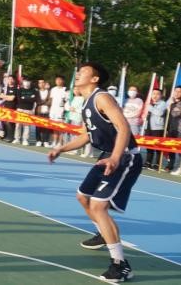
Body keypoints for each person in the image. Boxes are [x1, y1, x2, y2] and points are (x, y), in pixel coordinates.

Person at [48, 62, 141, 282]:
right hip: (108, 155)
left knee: (99, 206)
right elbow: (86, 135)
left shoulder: (102, 98)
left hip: (125, 156)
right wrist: (61, 148)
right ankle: (103, 232)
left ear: (95, 78)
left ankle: (120, 265)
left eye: (83, 71)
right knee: (83, 197)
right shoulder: (86, 102)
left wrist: (115, 158)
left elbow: (123, 127)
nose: (78, 73)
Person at [143, 88, 167, 170]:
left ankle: (157, 164)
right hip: (148, 127)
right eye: (153, 94)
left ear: (161, 95)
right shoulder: (150, 103)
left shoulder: (163, 103)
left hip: (158, 128)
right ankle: (148, 162)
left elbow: (159, 113)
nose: (155, 96)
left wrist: (150, 107)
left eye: (157, 94)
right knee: (149, 145)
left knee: (157, 146)